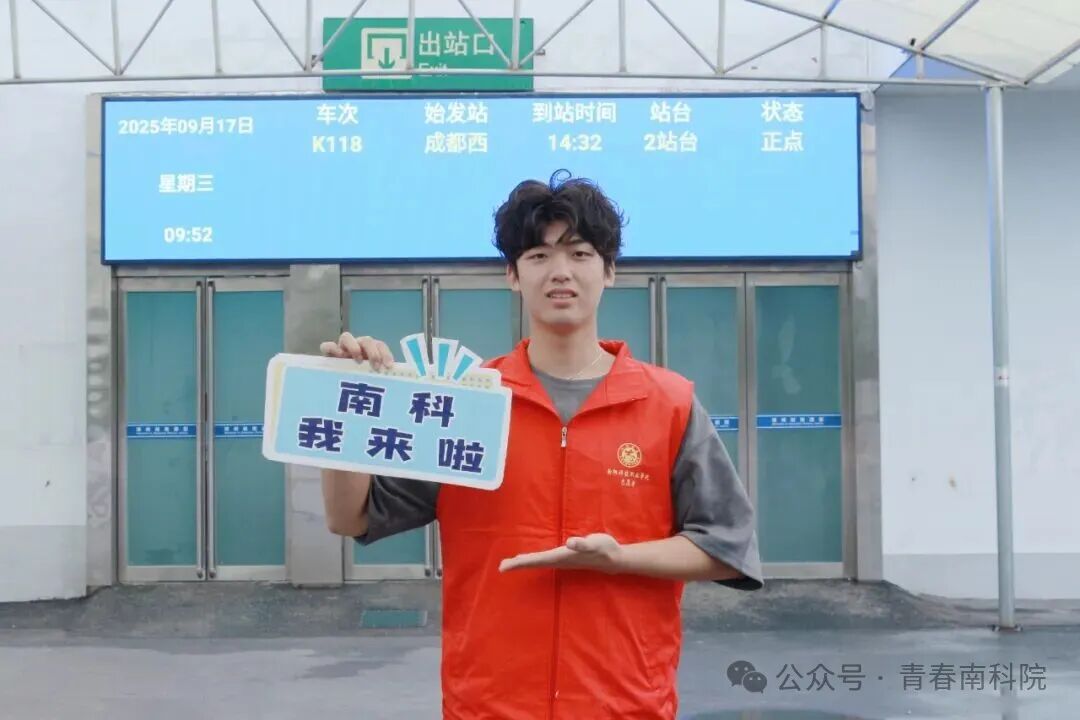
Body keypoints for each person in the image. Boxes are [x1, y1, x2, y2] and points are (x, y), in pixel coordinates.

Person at [320, 171, 763, 720]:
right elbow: (352, 516)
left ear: (609, 270)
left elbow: (726, 547)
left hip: (624, 704)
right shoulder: (468, 402)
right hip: (488, 704)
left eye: (579, 253)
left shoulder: (668, 404)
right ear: (512, 275)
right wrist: (347, 408)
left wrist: (620, 559)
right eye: (538, 255)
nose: (560, 272)